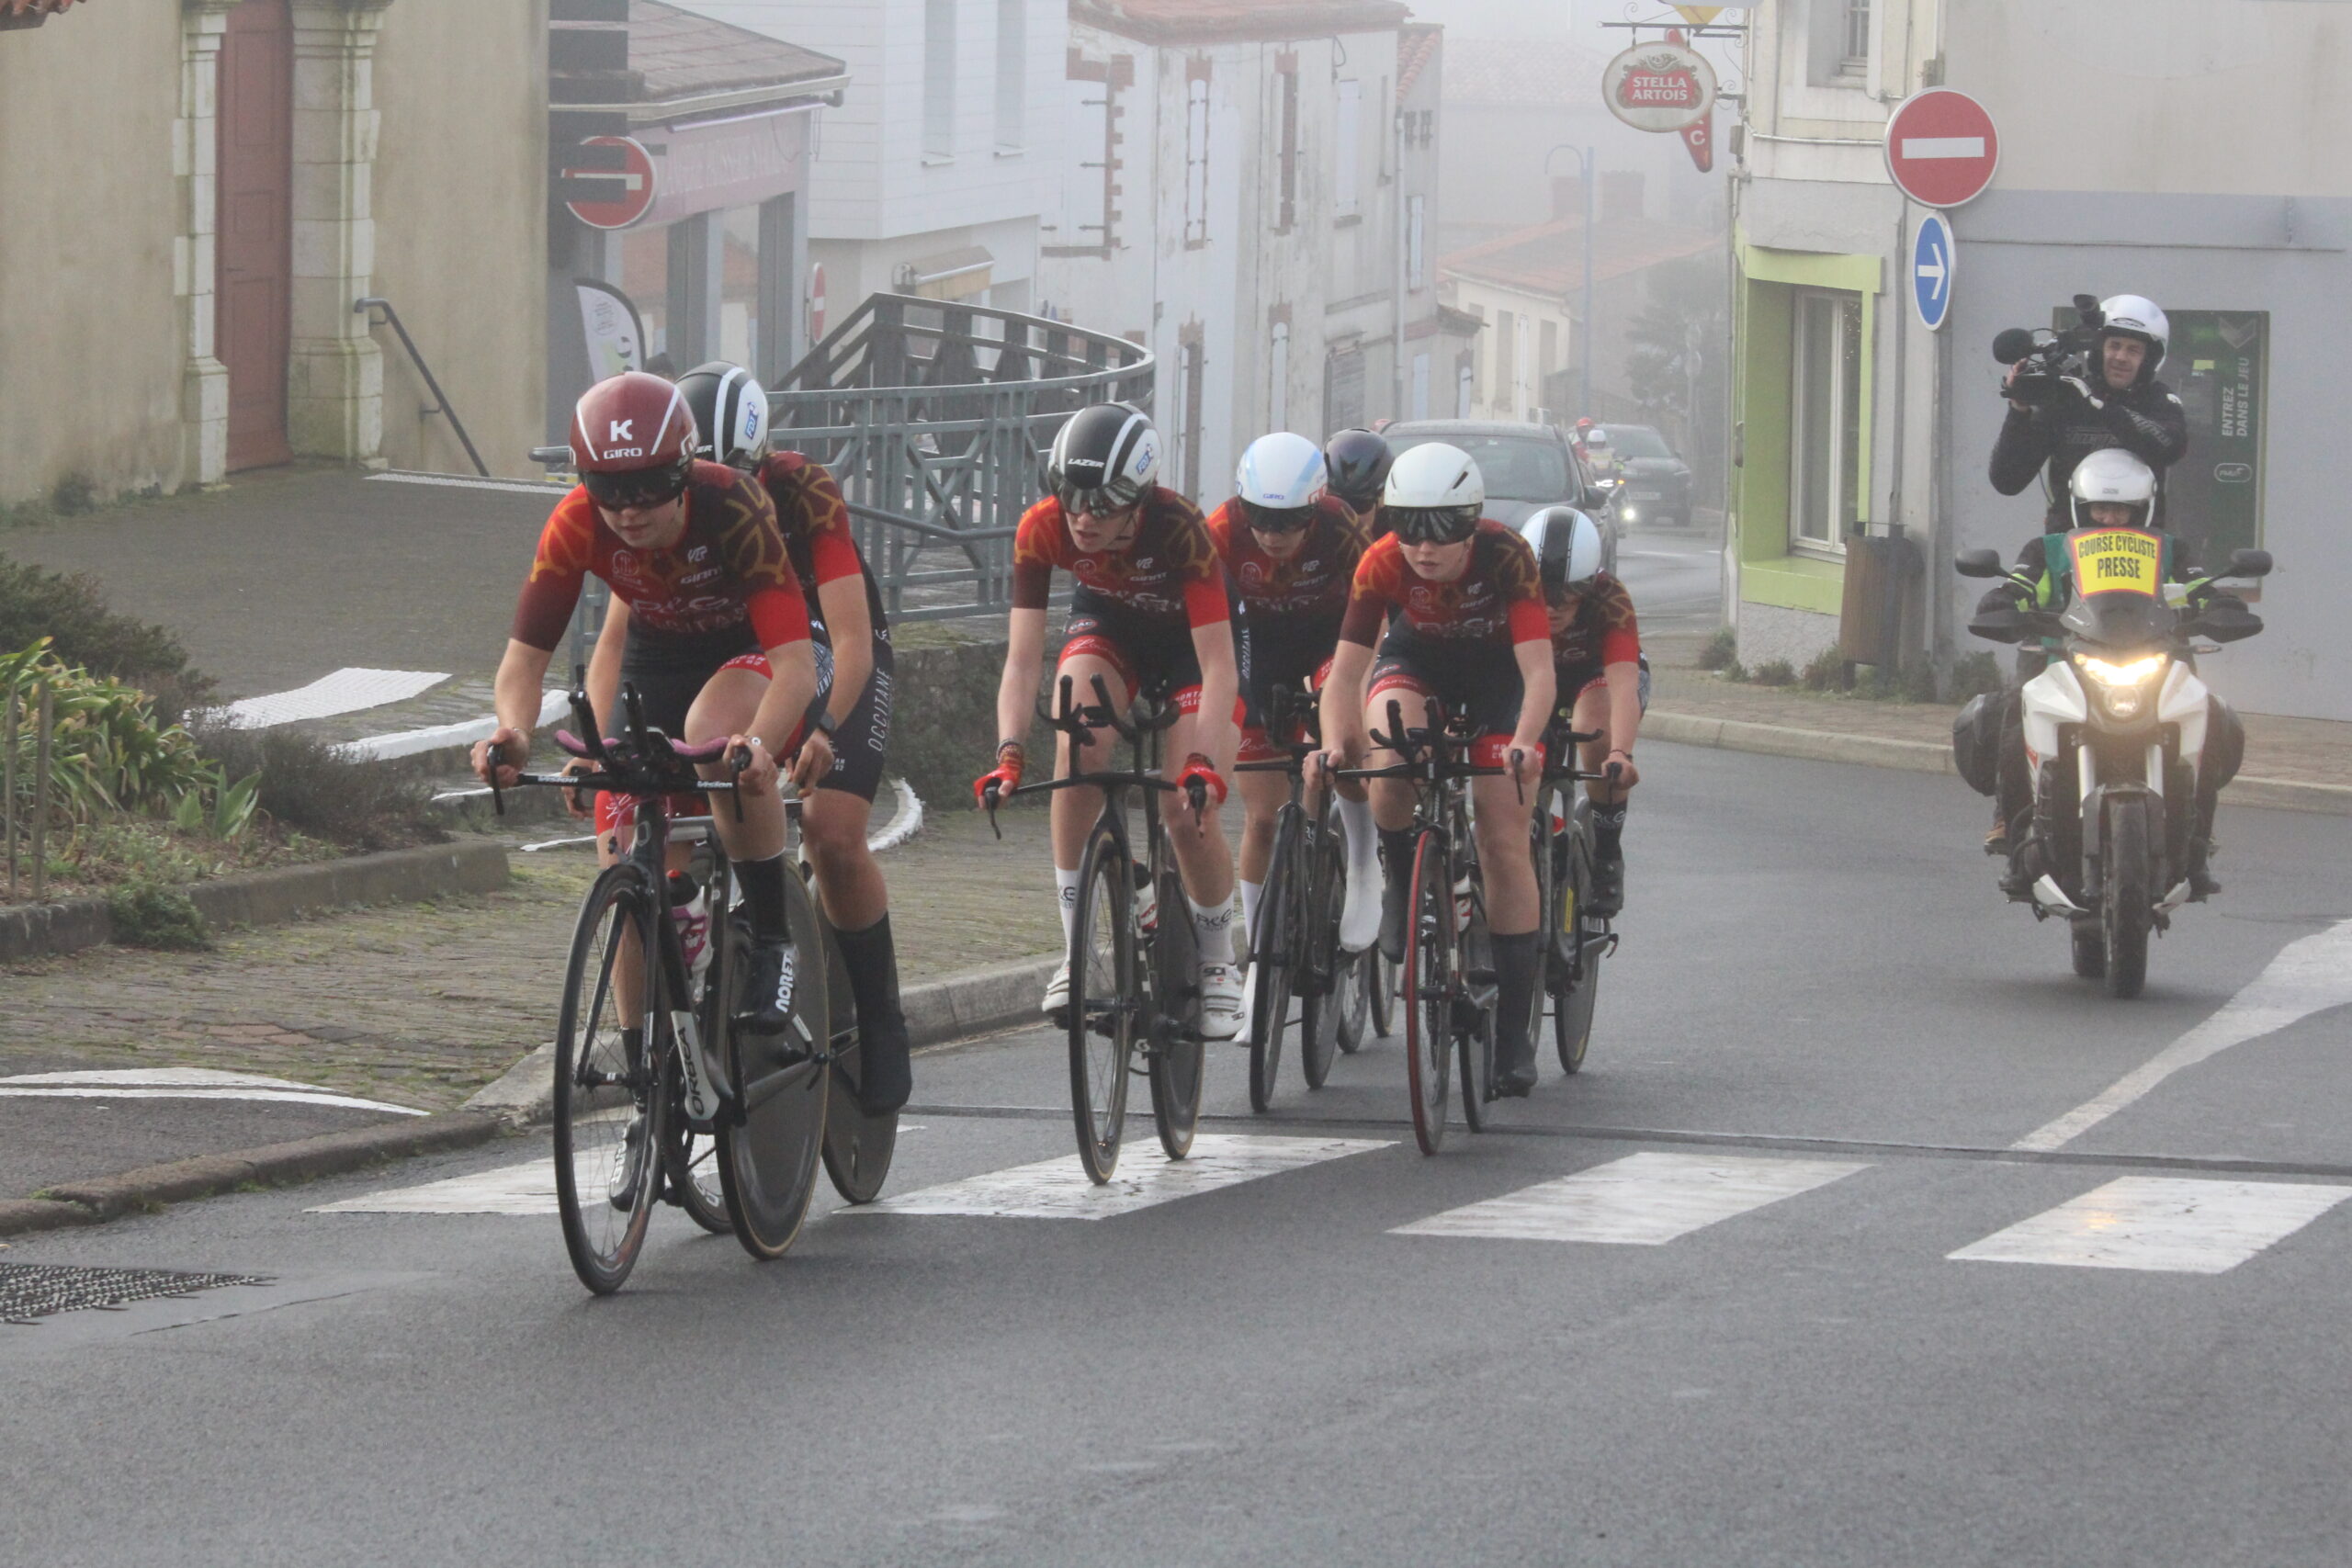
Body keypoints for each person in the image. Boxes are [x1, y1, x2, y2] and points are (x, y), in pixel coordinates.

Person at [472, 371, 825, 1059]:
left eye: (649, 487)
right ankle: (642, 1068)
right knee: (624, 843)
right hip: (658, 658)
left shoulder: (733, 503)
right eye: (607, 489)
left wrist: (758, 745)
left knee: (714, 735)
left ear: (684, 471)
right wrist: (511, 732)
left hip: (750, 649)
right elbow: (524, 661)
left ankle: (772, 938)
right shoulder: (576, 521)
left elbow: (796, 665)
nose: (628, 510)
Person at [638, 360, 912, 1112]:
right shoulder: (667, 501)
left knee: (832, 831)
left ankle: (881, 1016)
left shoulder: (804, 490)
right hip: (741, 646)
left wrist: (823, 726)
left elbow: (851, 642)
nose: (719, 492)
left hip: (830, 645)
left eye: (737, 474)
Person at [977, 404, 1246, 1039]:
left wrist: (1204, 764)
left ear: (1138, 500)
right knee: (1075, 747)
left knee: (1183, 804)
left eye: (1101, 504)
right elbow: (1022, 660)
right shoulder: (1043, 527)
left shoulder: (1181, 529)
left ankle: (1218, 960)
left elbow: (1219, 669)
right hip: (1111, 625)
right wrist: (1009, 753)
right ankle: (1075, 952)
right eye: (1069, 496)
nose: (1082, 517)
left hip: (1191, 648)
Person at [1316, 443, 1555, 1096]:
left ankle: (1513, 1033)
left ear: (1471, 522)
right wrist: (1335, 743)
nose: (1423, 547)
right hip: (1417, 662)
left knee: (1503, 840)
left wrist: (1525, 743)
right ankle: (1401, 875)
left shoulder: (1507, 555)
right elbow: (1345, 675)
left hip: (1497, 678)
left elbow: (1539, 672)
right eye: (1409, 528)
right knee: (1388, 756)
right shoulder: (1381, 560)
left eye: (1442, 531)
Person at [1974, 447, 2245, 897]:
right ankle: (2014, 833)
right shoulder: (2047, 549)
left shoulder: (2170, 549)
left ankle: (2196, 845)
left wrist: (2222, 604)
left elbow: (2200, 586)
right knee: (2011, 712)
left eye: (2122, 510)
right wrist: (2001, 602)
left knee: (2211, 714)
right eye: (2100, 508)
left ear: (2144, 510)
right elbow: (2017, 584)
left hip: (2155, 658)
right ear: (2080, 507)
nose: (2110, 518)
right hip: (2061, 658)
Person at [1207, 434, 1383, 1025]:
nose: (1271, 533)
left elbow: (1375, 609)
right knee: (1262, 816)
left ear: (1315, 506)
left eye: (1288, 522)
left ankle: (1363, 858)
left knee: (1346, 739)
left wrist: (1351, 690)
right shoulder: (1220, 531)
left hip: (1332, 644)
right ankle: (1260, 960)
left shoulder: (1341, 527)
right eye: (1259, 517)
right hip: (1257, 651)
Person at [1519, 506, 1645, 916]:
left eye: (1568, 594)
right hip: (1538, 675)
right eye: (1542, 593)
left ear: (1590, 585)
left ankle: (1607, 853)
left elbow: (1623, 685)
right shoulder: (1509, 591)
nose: (1553, 607)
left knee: (1594, 730)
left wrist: (1620, 754)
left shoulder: (1611, 598)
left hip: (1598, 674)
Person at [1987, 294, 2188, 531]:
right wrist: (2018, 410)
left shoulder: (2158, 399)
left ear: (2148, 359)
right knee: (2030, 555)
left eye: (2133, 350)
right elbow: (2008, 481)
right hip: (2068, 546)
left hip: (2142, 545)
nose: (2121, 357)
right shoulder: (2068, 397)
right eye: (2114, 346)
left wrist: (2096, 405)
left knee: (2183, 555)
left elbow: (2171, 446)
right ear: (2098, 350)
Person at [1323, 427, 1395, 536]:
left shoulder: (1401, 539)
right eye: (1335, 503)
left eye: (1358, 505)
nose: (1347, 516)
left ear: (1383, 499)